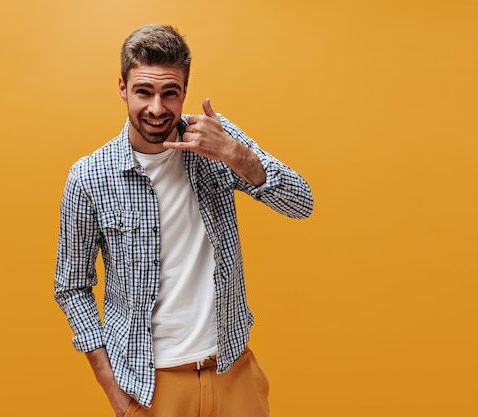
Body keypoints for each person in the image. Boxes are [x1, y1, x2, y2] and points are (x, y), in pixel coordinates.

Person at [54, 24, 313, 417]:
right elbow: (71, 287)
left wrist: (236, 155)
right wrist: (114, 391)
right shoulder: (89, 177)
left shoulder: (217, 141)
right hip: (151, 386)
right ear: (123, 88)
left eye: (169, 93)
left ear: (184, 91)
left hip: (232, 369)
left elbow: (301, 203)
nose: (157, 108)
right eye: (144, 91)